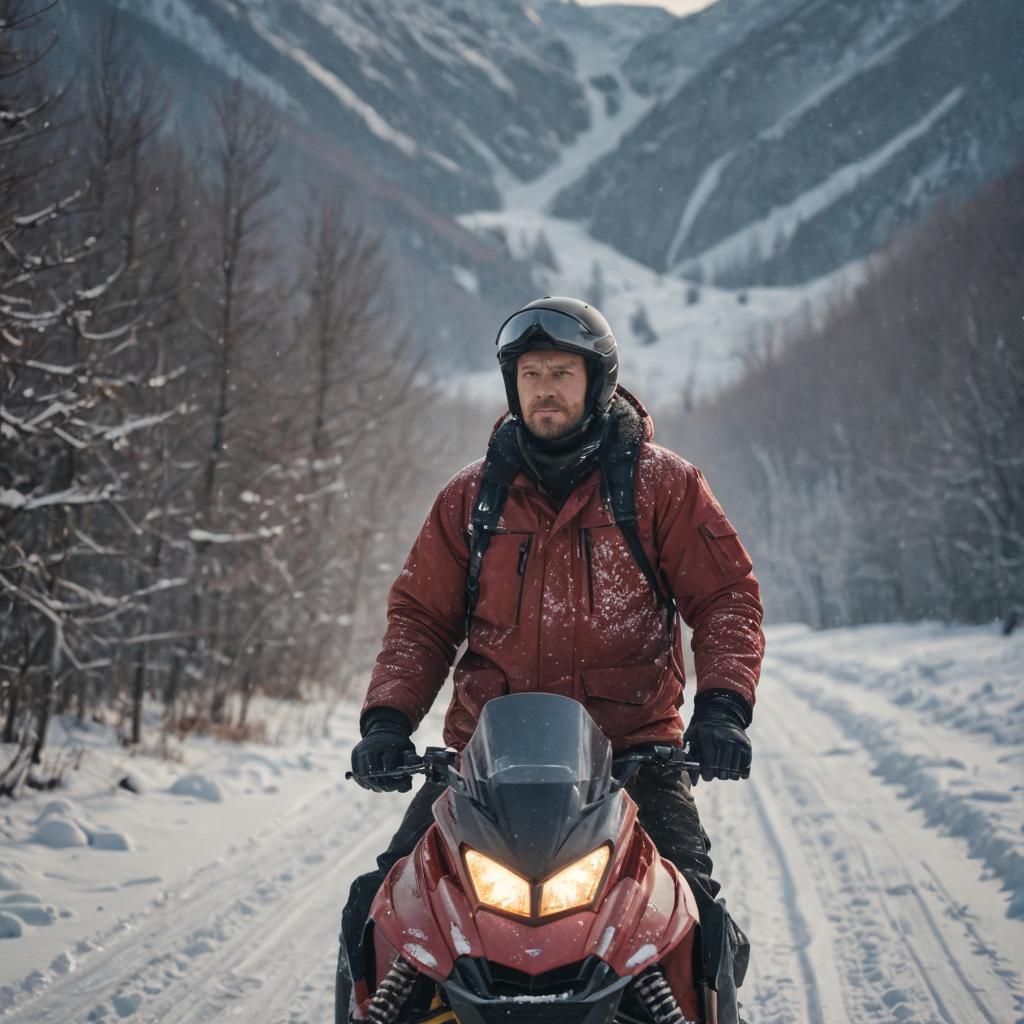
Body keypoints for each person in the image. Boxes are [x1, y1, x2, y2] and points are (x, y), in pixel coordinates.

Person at [338, 296, 765, 1024]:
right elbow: (421, 619)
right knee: (379, 909)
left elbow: (726, 599)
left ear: (597, 382)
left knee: (696, 918)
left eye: (561, 373)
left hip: (633, 760)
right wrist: (386, 722)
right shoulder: (471, 498)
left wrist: (722, 708)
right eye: (531, 374)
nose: (544, 390)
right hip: (485, 769)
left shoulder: (663, 487)